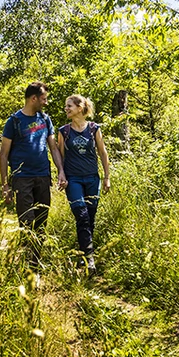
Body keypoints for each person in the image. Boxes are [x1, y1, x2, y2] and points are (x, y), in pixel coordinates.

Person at [0, 81, 67, 270]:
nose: (46, 102)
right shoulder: (14, 121)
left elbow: (53, 147)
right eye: (43, 99)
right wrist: (5, 185)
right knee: (27, 222)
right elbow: (3, 154)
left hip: (43, 176)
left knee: (41, 222)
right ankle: (30, 268)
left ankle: (34, 262)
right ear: (33, 98)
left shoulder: (45, 119)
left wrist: (60, 170)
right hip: (22, 178)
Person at [57, 94, 110, 275]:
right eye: (66, 106)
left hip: (92, 179)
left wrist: (106, 178)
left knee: (90, 216)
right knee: (81, 215)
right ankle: (90, 259)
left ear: (80, 108)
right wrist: (61, 174)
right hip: (73, 180)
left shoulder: (94, 129)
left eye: (69, 106)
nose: (66, 109)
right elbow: (61, 157)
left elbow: (103, 154)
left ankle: (83, 252)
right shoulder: (63, 131)